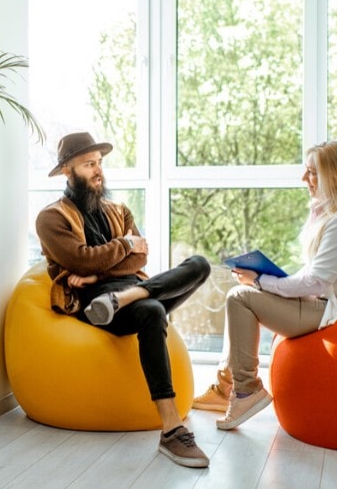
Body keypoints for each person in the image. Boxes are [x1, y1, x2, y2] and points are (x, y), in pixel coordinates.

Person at [36, 132, 212, 468]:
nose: (98, 170)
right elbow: (83, 260)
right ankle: (172, 428)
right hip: (96, 305)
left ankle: (133, 295)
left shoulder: (119, 209)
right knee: (151, 310)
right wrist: (122, 250)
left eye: (99, 163)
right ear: (67, 172)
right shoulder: (52, 218)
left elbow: (139, 262)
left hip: (132, 289)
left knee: (200, 265)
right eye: (89, 164)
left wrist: (104, 267)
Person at [193, 140, 337, 431]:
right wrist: (265, 281)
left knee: (240, 297)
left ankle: (246, 391)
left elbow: (317, 281)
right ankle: (226, 387)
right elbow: (316, 273)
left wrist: (261, 280)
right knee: (243, 292)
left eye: (311, 173)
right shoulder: (330, 213)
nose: (304, 179)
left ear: (334, 176)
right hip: (324, 302)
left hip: (336, 312)